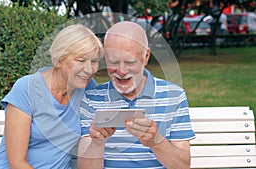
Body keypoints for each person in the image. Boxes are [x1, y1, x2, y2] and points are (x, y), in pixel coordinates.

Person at [77, 21, 195, 169]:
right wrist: (97, 143)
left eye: (130, 62)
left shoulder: (174, 95)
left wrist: (156, 141)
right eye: (113, 61)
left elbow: (183, 166)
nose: (121, 71)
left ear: (146, 57)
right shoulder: (91, 98)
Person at [0, 24, 103, 169]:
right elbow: (17, 162)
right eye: (81, 60)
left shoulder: (87, 87)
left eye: (94, 61)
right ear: (58, 60)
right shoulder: (26, 89)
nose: (89, 69)